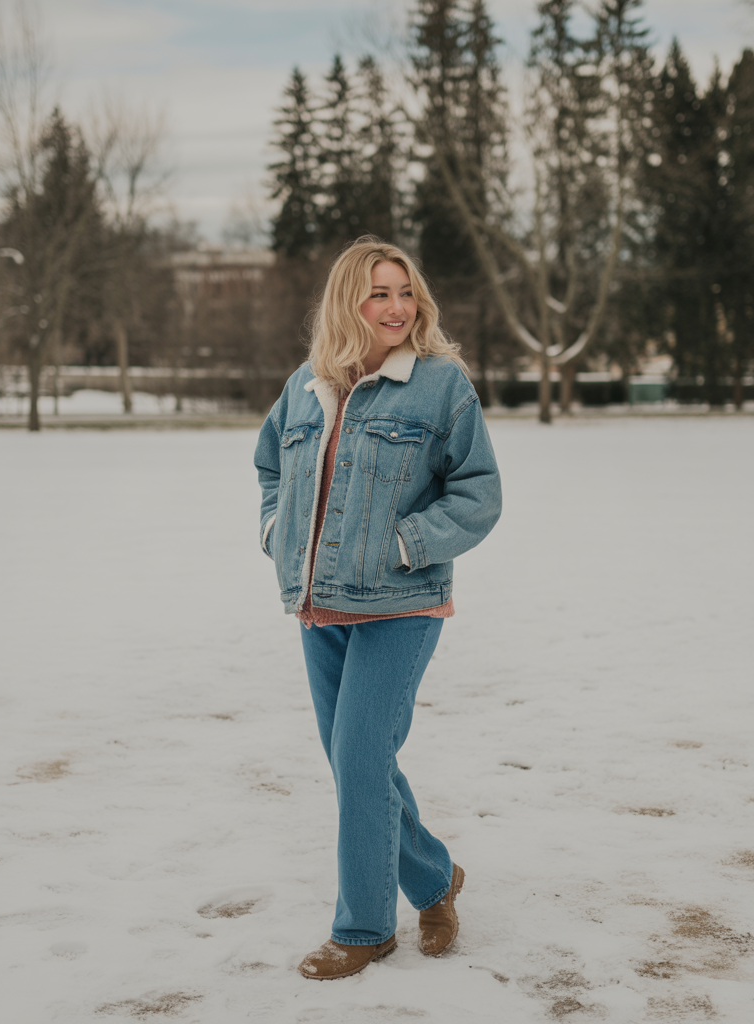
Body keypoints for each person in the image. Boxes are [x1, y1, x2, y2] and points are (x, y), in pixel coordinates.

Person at [253, 236, 502, 980]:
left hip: (403, 604)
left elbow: (479, 493)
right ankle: (433, 879)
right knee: (356, 763)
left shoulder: (440, 386)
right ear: (347, 303)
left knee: (361, 759)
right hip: (318, 605)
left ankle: (363, 929)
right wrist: (277, 531)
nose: (396, 307)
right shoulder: (305, 386)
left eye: (405, 292)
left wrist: (404, 544)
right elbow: (271, 466)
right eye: (378, 293)